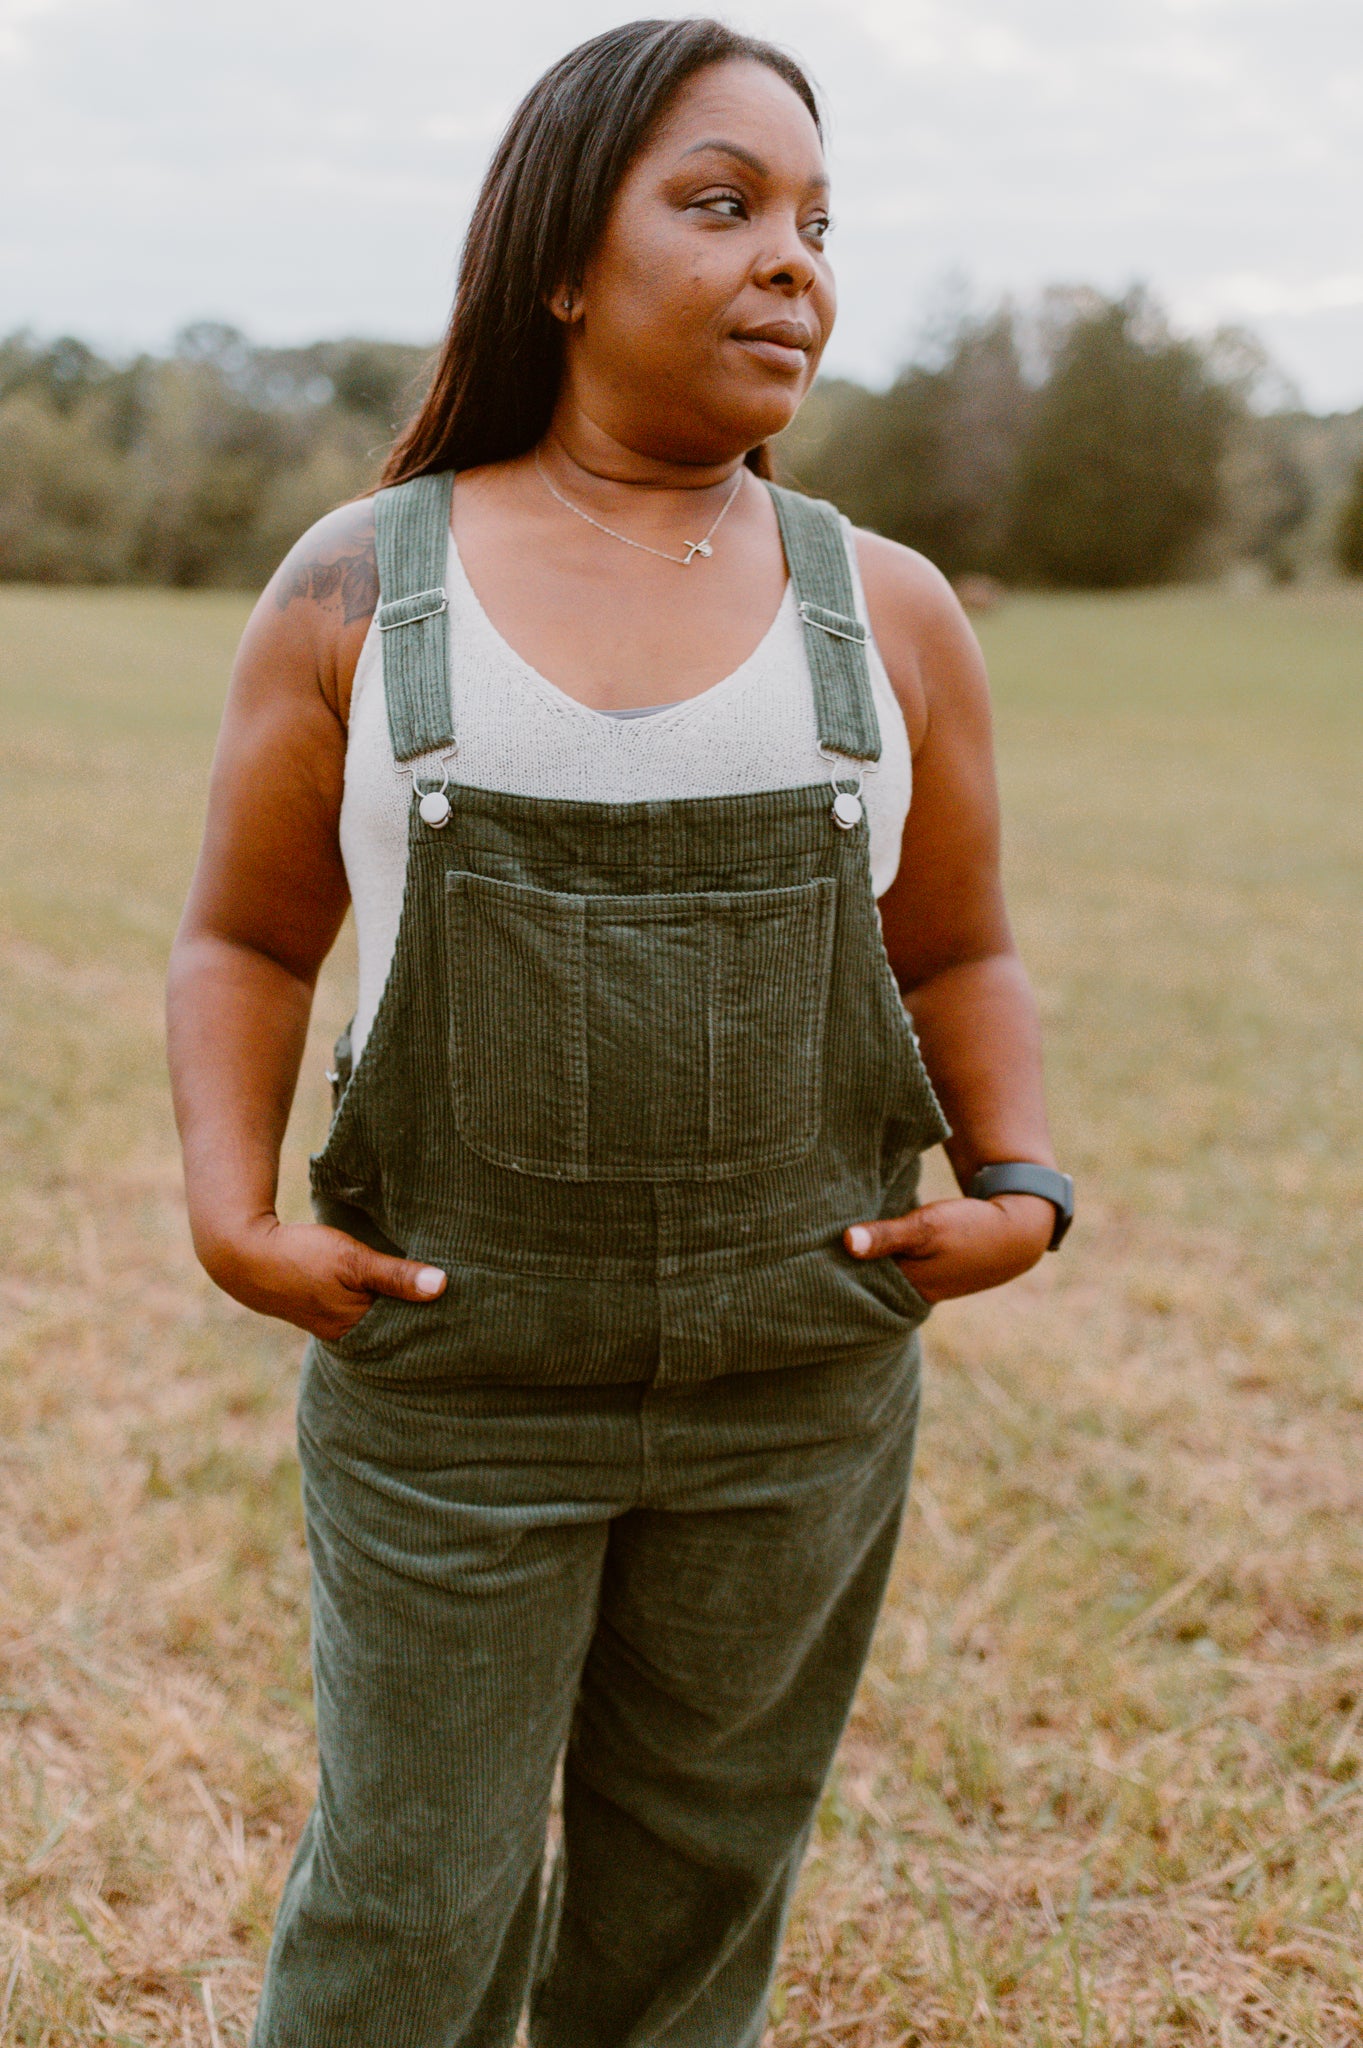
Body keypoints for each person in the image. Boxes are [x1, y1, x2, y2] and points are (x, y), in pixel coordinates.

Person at [166, 18, 1072, 2046]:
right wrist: (232, 1210)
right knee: (413, 1898)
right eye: (723, 204)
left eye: (820, 224)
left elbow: (961, 952)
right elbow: (240, 935)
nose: (792, 263)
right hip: (454, 1391)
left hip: (794, 1391)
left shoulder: (892, 611)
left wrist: (1025, 1184)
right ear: (565, 255)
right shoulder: (359, 590)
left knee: (696, 1890)